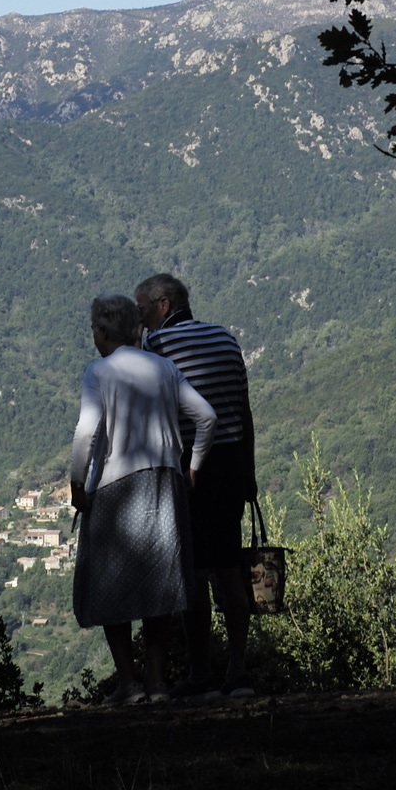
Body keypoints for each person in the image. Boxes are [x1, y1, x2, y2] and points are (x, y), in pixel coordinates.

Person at [71, 293, 216, 703]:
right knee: (160, 584)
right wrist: (193, 466)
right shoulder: (165, 368)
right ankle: (156, 682)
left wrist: (77, 484)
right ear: (136, 328)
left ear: (101, 331)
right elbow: (207, 417)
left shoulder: (99, 371)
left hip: (115, 486)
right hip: (166, 485)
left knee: (108, 586)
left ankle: (128, 683)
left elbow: (86, 432)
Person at [136, 273, 261, 697]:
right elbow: (244, 414)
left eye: (143, 310)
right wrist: (250, 471)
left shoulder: (156, 348)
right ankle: (238, 671)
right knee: (229, 569)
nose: (141, 319)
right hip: (230, 465)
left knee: (192, 573)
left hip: (187, 471)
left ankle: (200, 674)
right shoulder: (226, 339)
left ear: (163, 305)